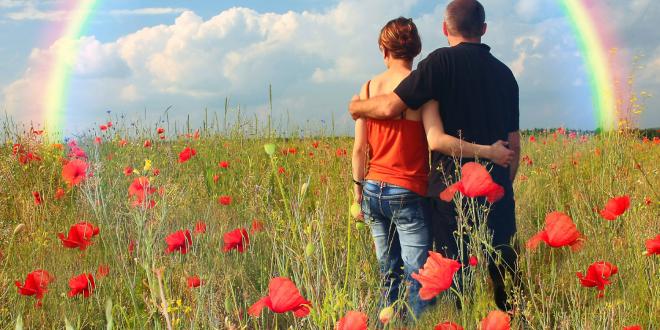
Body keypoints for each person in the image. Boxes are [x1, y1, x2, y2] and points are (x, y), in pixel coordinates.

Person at [349, 0, 521, 312]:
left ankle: (456, 317)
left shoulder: (438, 64)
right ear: (484, 29)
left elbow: (392, 109)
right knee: (503, 269)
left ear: (445, 29)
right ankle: (509, 317)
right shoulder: (506, 74)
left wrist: (356, 106)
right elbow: (514, 144)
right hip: (496, 189)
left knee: (449, 273)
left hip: (447, 191)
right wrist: (498, 183)